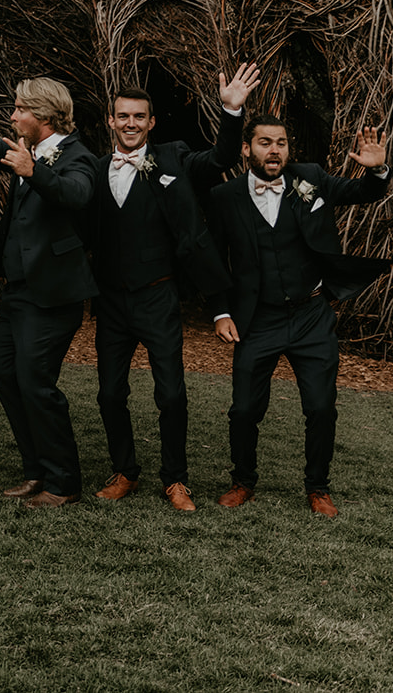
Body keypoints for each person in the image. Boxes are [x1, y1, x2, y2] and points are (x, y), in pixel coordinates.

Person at [86, 66, 258, 512]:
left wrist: (231, 110)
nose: (130, 124)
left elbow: (220, 158)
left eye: (138, 117)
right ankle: (125, 471)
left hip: (158, 297)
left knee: (172, 394)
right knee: (108, 393)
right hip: (110, 301)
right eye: (122, 116)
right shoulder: (95, 168)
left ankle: (175, 480)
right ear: (110, 120)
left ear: (151, 123)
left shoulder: (174, 158)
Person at [207, 118, 392, 517]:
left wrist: (376, 169)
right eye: (264, 143)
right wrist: (221, 311)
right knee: (243, 409)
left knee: (321, 407)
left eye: (281, 143)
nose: (274, 150)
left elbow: (363, 191)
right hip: (258, 319)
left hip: (311, 315)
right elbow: (214, 260)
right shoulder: (224, 197)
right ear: (246, 149)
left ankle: (318, 488)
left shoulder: (309, 179)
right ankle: (242, 482)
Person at [0, 74, 95, 508]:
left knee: (36, 382)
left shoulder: (78, 156)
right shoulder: (24, 152)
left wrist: (33, 171)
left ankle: (64, 482)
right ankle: (36, 470)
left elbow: (77, 195)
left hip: (53, 295)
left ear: (44, 115)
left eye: (20, 109)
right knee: (4, 375)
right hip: (16, 292)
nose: (13, 116)